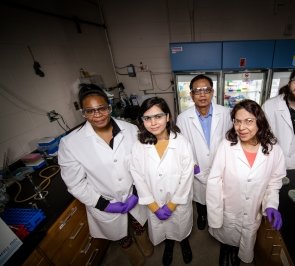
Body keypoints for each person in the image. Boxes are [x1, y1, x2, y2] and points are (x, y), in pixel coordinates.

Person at [58, 84, 153, 266]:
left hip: (134, 194)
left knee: (139, 223)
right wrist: (103, 204)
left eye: (102, 108)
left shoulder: (130, 130)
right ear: (83, 113)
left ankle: (143, 240)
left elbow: (142, 164)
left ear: (109, 107)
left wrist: (135, 192)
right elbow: (75, 184)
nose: (98, 114)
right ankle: (131, 250)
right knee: (119, 233)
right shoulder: (70, 143)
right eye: (90, 111)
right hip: (104, 200)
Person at [206, 99, 286, 265]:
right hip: (228, 210)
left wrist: (271, 204)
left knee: (245, 241)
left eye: (249, 121)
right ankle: (227, 250)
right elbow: (214, 182)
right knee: (227, 238)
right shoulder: (227, 146)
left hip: (252, 212)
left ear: (260, 122)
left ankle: (235, 252)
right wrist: (214, 215)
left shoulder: (274, 149)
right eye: (237, 121)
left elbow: (274, 181)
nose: (241, 128)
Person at [129, 97, 194, 266]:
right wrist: (153, 206)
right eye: (147, 118)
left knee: (181, 227)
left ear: (167, 117)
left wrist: (172, 205)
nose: (153, 123)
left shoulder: (181, 143)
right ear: (142, 121)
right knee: (165, 229)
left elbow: (187, 177)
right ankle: (169, 245)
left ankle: (184, 243)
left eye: (158, 116)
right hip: (154, 203)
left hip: (178, 202)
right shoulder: (139, 145)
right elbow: (137, 177)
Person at [177, 74, 232, 230]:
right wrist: (195, 167)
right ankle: (202, 214)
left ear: (212, 92)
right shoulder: (182, 118)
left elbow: (231, 140)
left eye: (206, 90)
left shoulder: (226, 113)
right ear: (191, 95)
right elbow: (182, 147)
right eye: (197, 91)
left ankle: (216, 217)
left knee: (219, 196)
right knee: (200, 196)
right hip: (197, 167)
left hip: (220, 166)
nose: (202, 94)